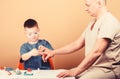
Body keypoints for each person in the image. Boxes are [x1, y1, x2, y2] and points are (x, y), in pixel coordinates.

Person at [42, 0, 120, 79]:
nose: (86, 9)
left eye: (88, 5)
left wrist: (75, 71)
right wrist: (53, 52)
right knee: (62, 76)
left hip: (106, 69)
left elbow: (96, 52)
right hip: (91, 67)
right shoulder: (93, 22)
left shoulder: (109, 22)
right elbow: (77, 44)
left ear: (99, 3)